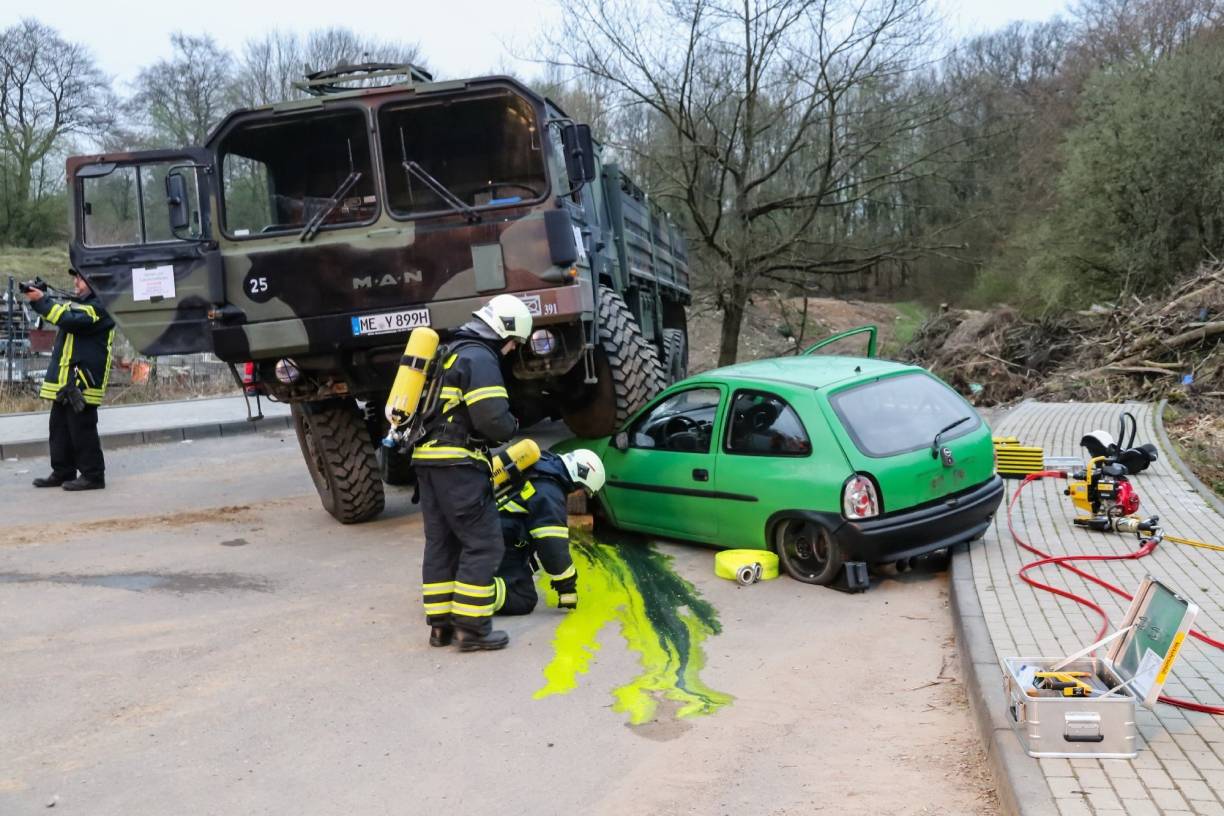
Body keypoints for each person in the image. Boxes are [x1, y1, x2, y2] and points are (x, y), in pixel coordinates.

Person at [412, 294, 533, 652]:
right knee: (483, 544)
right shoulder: (479, 358)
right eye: (514, 342)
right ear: (504, 331)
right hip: (459, 466)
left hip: (427, 462)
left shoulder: (447, 351)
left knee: (441, 543)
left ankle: (441, 627)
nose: (512, 349)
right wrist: (512, 425)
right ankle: (472, 630)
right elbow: (492, 419)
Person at [24, 269, 115, 491]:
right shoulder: (82, 305)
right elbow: (61, 314)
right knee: (59, 430)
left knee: (82, 430)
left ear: (94, 282)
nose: (75, 282)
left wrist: (43, 300)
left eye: (80, 278)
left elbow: (69, 319)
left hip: (83, 382)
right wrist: (40, 299)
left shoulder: (101, 307)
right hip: (67, 381)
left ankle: (93, 476)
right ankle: (63, 471)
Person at [493, 448, 606, 616]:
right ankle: (467, 595)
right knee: (522, 597)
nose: (578, 494)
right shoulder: (549, 493)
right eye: (583, 490)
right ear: (580, 476)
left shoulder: (542, 465)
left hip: (492, 531)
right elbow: (552, 546)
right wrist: (566, 585)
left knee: (521, 576)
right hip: (497, 542)